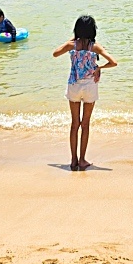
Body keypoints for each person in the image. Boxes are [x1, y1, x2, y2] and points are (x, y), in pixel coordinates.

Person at [53, 15, 117, 171]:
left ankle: (73, 160)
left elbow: (55, 53)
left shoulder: (72, 45)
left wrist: (73, 40)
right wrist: (98, 68)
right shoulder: (94, 47)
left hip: (74, 85)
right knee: (85, 124)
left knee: (74, 124)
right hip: (89, 86)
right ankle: (82, 160)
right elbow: (113, 62)